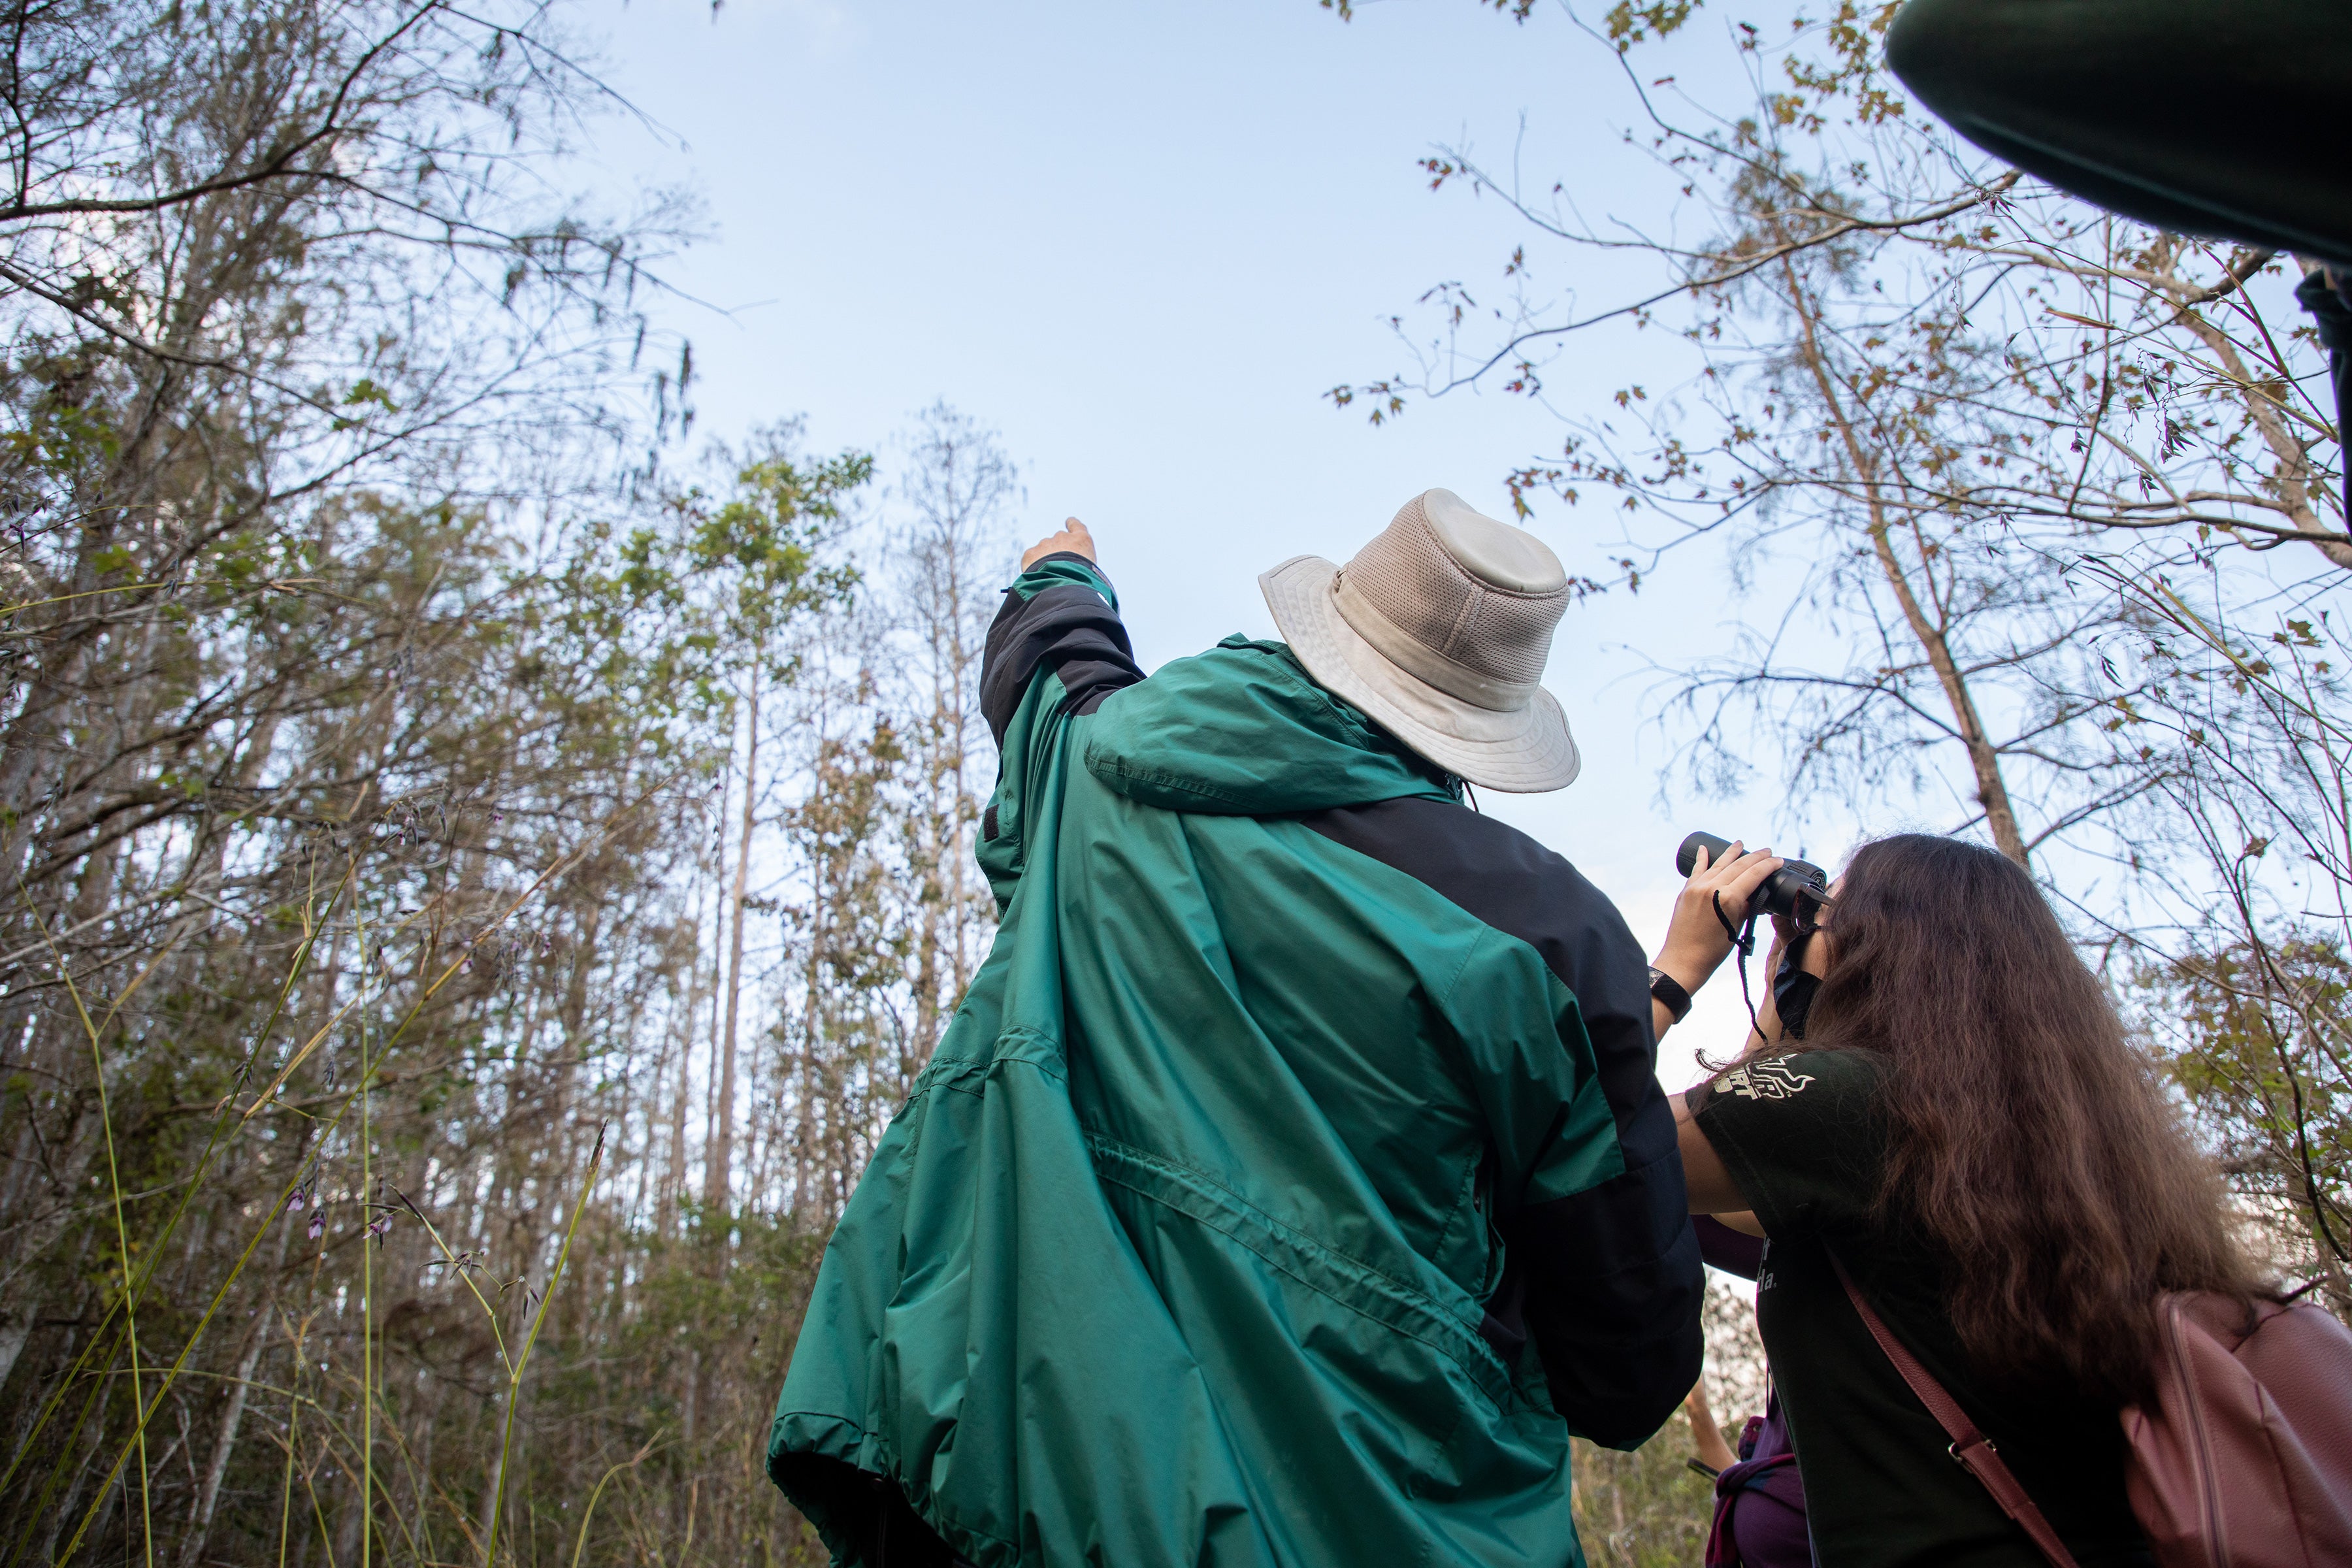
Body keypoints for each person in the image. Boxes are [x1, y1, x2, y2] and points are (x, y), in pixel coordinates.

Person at [766, 491, 1705, 1567]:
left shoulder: (1102, 772)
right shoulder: (1552, 938)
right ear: (1489, 717)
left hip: (1059, 1500)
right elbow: (1627, 1362)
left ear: (1339, 627)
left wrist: (1062, 574)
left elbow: (1052, 681)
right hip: (1398, 1528)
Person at [1649, 833, 2271, 1567]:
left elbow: (1580, 1137)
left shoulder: (1849, 1106)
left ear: (1878, 951)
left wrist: (1675, 972)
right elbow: (1735, 1202)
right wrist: (1787, 998)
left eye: (1825, 913)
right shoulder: (2072, 1150)